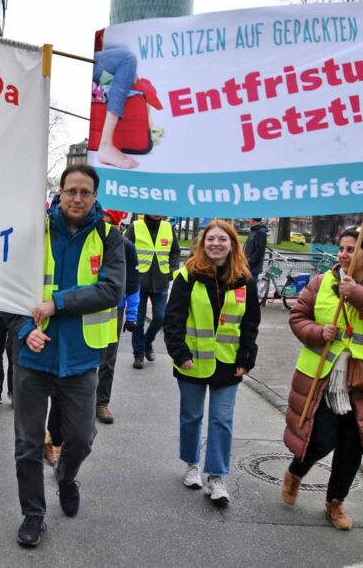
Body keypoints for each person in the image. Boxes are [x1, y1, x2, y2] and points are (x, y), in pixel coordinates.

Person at [6, 165, 125, 548]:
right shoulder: (34, 232)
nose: (77, 198)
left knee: (81, 438)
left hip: (81, 357)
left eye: (84, 192)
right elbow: (8, 291)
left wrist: (57, 303)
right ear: (59, 193)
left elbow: (111, 290)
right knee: (27, 443)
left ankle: (66, 477)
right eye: (70, 190)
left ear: (94, 196)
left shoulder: (110, 236)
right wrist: (26, 331)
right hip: (34, 358)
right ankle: (33, 514)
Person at [282, 226, 363, 530]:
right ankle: (295, 472)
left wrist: (360, 296)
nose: (342, 254)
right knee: (321, 438)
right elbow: (298, 317)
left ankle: (335, 503)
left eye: (351, 249)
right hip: (324, 378)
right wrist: (317, 332)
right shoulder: (321, 282)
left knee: (353, 446)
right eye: (341, 248)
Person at [163, 220, 260, 505]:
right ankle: (192, 464)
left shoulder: (244, 280)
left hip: (229, 364)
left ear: (232, 244)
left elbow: (251, 323)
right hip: (192, 361)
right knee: (191, 416)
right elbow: (173, 319)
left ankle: (216, 476)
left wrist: (247, 358)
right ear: (202, 243)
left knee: (222, 420)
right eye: (210, 239)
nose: (216, 244)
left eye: (222, 239)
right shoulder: (187, 276)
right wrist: (179, 353)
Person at [97, 209, 140, 424]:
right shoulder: (88, 243)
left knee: (107, 359)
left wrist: (132, 315)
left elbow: (133, 285)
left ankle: (101, 402)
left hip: (115, 310)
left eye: (109, 224)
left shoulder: (127, 248)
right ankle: (78, 401)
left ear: (116, 225)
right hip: (86, 307)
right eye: (101, 222)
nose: (105, 228)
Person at [126, 214, 180, 368]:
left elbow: (175, 251)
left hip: (161, 281)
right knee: (139, 320)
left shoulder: (168, 227)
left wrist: (172, 270)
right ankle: (138, 354)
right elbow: (125, 249)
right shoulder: (135, 227)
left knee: (160, 317)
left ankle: (147, 342)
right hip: (138, 282)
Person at [243, 218, 268, 286]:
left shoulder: (260, 232)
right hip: (247, 264)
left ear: (253, 219)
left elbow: (260, 251)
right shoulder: (253, 231)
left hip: (252, 267)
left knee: (252, 288)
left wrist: (250, 261)